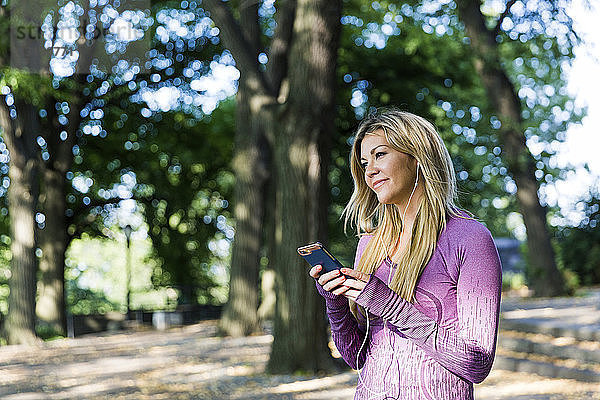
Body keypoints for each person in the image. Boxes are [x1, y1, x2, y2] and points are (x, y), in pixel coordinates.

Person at [309, 109, 502, 400]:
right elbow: (357, 358)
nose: (370, 169)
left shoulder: (469, 239)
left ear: (417, 157)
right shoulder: (370, 245)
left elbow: (476, 364)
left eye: (380, 154)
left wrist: (385, 302)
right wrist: (334, 301)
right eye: (364, 162)